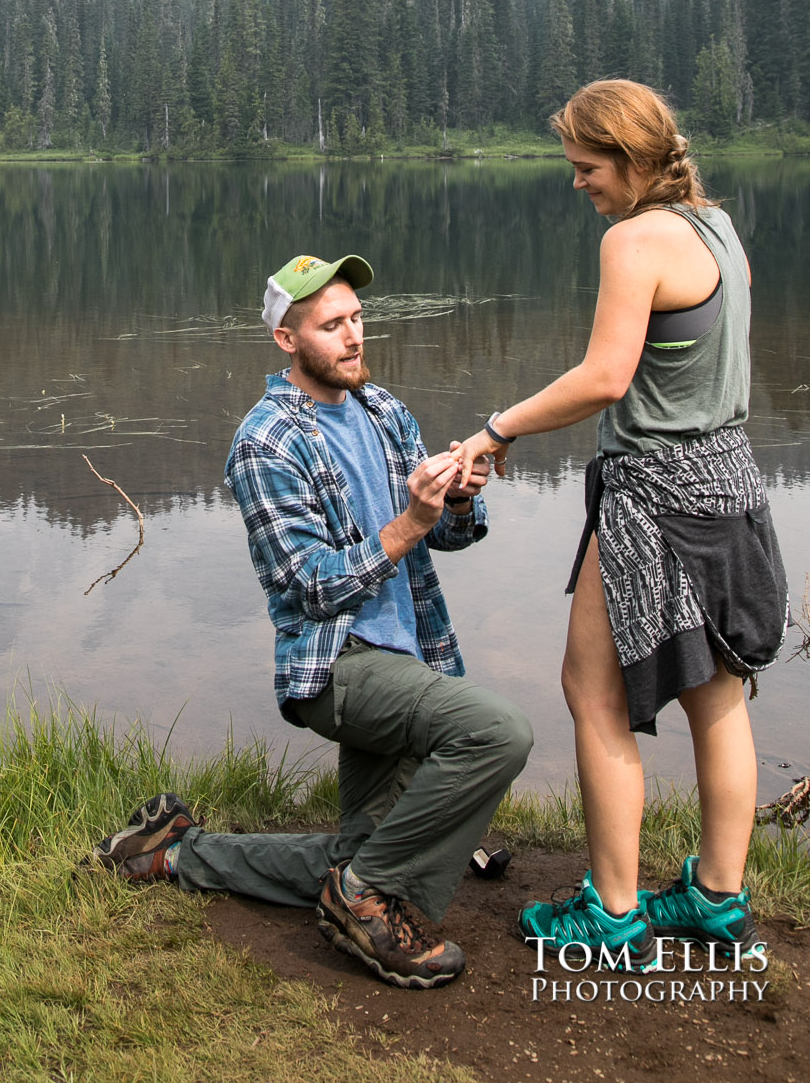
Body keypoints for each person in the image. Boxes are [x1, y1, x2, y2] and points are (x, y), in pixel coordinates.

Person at [94, 251, 533, 991]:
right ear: (287, 341)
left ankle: (173, 852)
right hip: (337, 667)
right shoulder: (264, 443)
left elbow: (451, 537)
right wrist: (408, 521)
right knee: (496, 733)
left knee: (359, 850)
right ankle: (364, 902)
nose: (354, 336)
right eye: (332, 325)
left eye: (357, 319)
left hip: (409, 653)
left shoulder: (384, 410)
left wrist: (456, 499)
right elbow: (310, 587)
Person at [455, 79, 787, 966]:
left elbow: (605, 378)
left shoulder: (632, 240)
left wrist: (496, 428)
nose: (577, 182)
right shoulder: (719, 229)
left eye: (586, 166)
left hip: (655, 498)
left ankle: (611, 918)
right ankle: (717, 901)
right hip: (731, 486)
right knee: (717, 697)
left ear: (634, 160)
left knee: (592, 692)